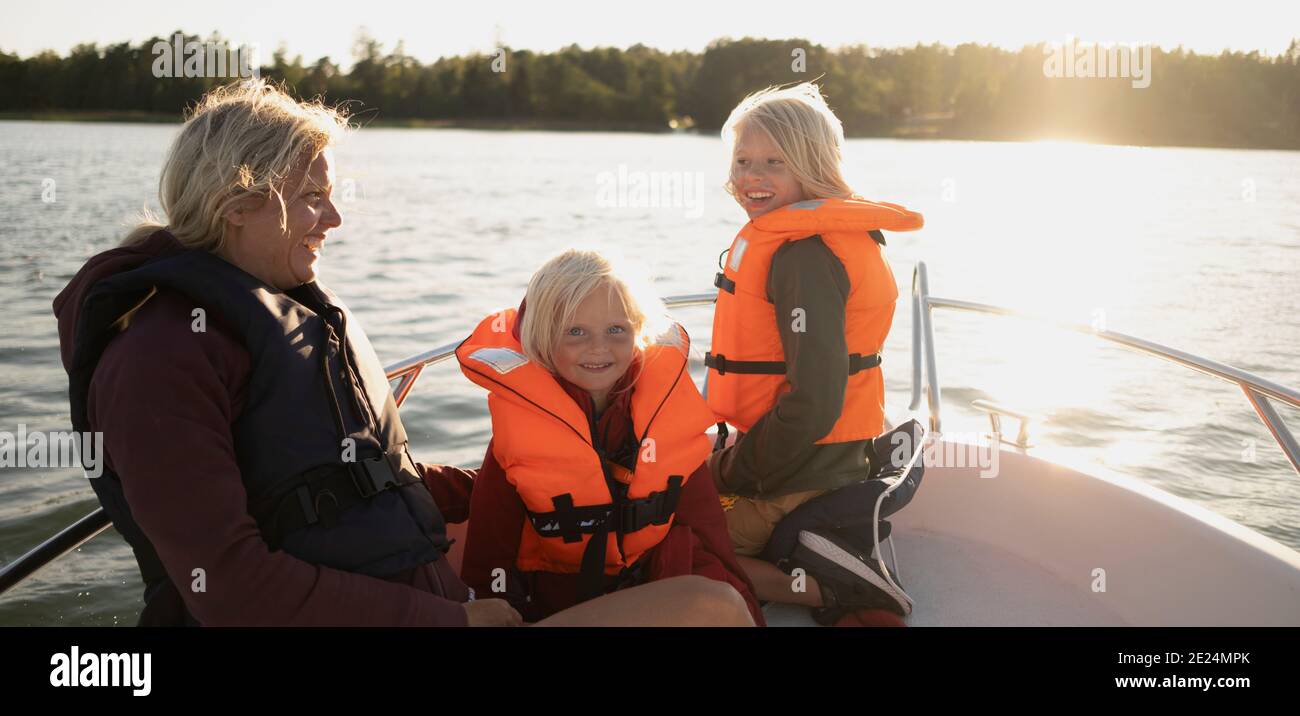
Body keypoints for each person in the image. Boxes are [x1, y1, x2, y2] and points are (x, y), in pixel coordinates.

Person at [53, 80, 748, 627]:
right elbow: (232, 590)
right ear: (240, 203)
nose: (335, 218)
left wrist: (555, 478)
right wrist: (451, 619)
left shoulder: (281, 315)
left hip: (419, 590)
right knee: (709, 611)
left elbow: (369, 477)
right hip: (416, 614)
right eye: (314, 198)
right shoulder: (160, 359)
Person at [703, 82, 924, 622]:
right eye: (743, 160)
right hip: (818, 455)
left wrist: (731, 472)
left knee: (672, 546)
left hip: (806, 468)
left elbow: (816, 401)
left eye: (774, 162)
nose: (752, 177)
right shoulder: (820, 239)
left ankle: (840, 588)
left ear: (812, 164)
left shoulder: (804, 257)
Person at [457, 250, 761, 625]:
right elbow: (489, 558)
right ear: (542, 337)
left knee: (724, 600)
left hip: (649, 589)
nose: (598, 348)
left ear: (639, 331)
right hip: (557, 606)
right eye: (575, 332)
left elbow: (708, 533)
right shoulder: (517, 435)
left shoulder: (666, 421)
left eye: (616, 330)